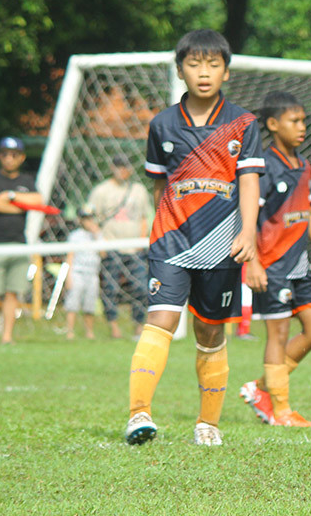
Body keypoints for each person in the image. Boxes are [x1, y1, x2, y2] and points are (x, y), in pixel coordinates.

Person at [124, 29, 264, 447]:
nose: (204, 73)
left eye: (213, 64)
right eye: (195, 64)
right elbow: (159, 186)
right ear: (180, 69)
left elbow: (249, 181)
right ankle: (138, 414)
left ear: (226, 71)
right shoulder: (162, 124)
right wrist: (161, 226)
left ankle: (208, 423)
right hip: (171, 242)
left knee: (210, 333)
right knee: (161, 319)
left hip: (222, 246)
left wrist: (249, 232)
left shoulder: (244, 123)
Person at [239, 91, 311, 427]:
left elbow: (310, 214)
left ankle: (261, 388)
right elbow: (247, 219)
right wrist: (253, 263)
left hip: (298, 265)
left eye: (303, 120)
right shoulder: (263, 167)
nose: (302, 127)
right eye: (294, 121)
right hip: (271, 264)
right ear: (274, 124)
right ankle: (281, 411)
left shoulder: (304, 165)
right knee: (277, 334)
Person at [84, 154, 152, 339]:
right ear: (112, 168)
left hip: (134, 247)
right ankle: (113, 326)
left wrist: (141, 241)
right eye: (118, 166)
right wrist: (100, 240)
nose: (122, 170)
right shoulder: (101, 191)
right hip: (111, 246)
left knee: (141, 287)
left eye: (125, 167)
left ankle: (138, 325)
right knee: (110, 288)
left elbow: (144, 217)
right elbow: (87, 216)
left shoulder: (138, 190)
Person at [0, 136, 45, 346]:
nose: (9, 158)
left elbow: (38, 201)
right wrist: (21, 206)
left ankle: (7, 336)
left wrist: (11, 196)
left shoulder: (27, 181)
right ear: (0, 156)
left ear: (21, 157)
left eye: (14, 154)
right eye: (5, 154)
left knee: (12, 293)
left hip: (18, 244)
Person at [64, 210, 101, 340]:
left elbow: (103, 253)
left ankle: (89, 332)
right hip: (77, 272)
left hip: (93, 273)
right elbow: (70, 256)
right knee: (73, 303)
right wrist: (68, 276)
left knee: (90, 304)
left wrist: (97, 234)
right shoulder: (75, 236)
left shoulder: (98, 235)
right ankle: (70, 331)